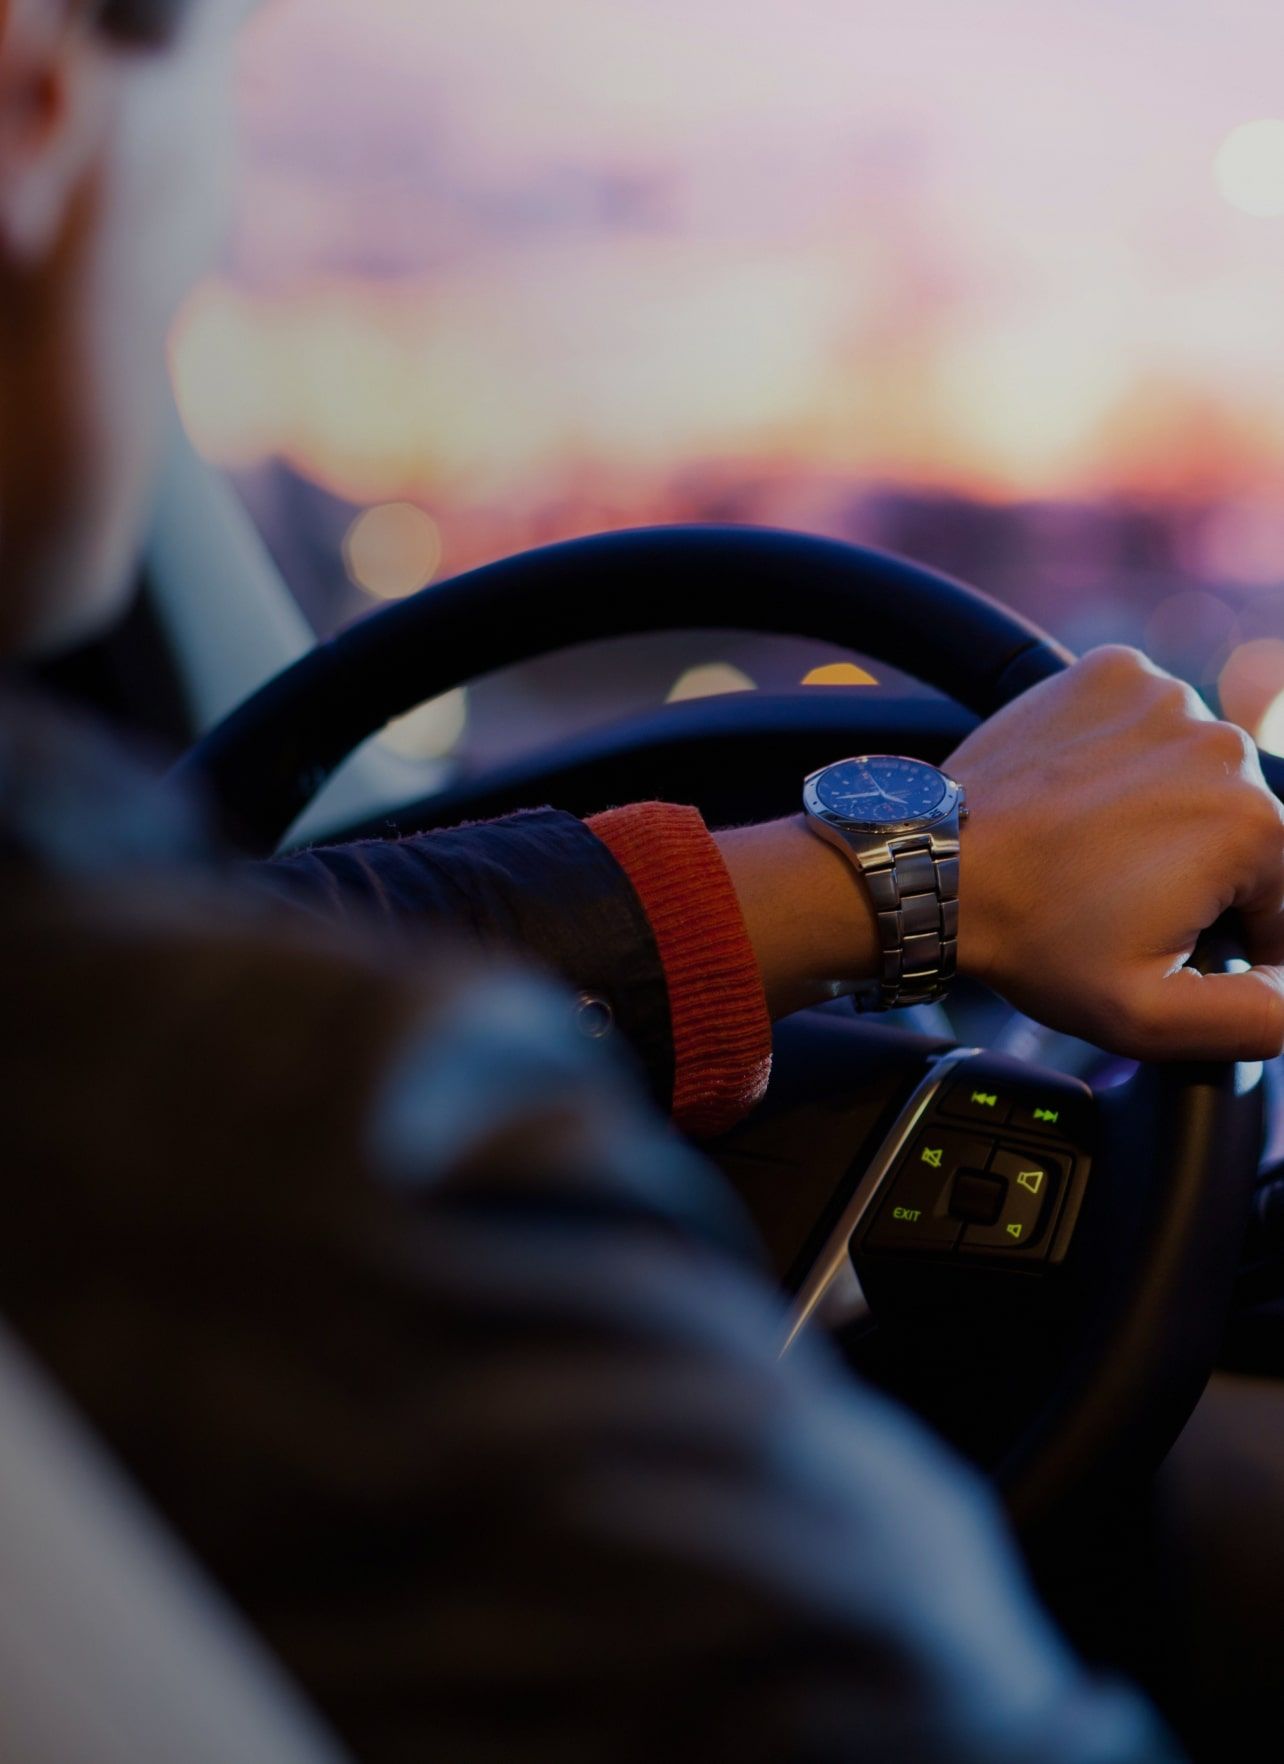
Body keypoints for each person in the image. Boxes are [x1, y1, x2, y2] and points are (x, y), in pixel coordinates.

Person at [2, 1, 1283, 1757]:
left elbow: (237, 934)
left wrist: (900, 881)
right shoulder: (273, 1154)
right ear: (37, 91)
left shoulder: (128, 1014)